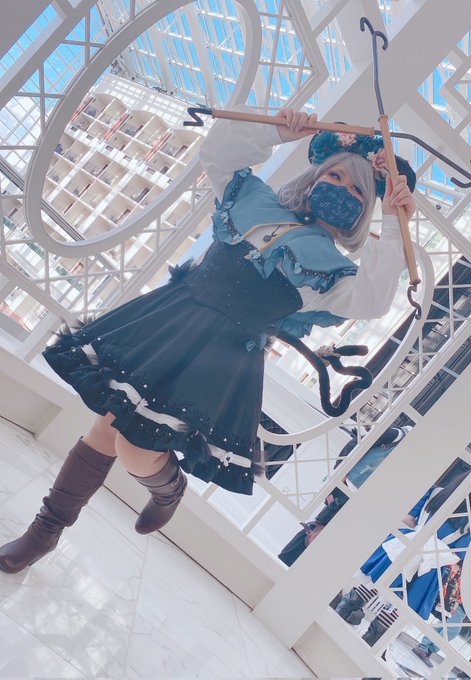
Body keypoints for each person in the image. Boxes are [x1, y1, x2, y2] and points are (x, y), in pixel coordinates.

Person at [0, 107, 416, 574]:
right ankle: (45, 531)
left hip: (220, 359)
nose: (340, 188)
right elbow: (219, 152)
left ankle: (168, 490)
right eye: (334, 175)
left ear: (364, 208)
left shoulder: (335, 273)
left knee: (135, 447)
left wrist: (395, 221)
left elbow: (374, 298)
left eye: (357, 188)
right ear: (315, 175)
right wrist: (281, 130)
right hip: (171, 320)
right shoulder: (254, 201)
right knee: (107, 424)